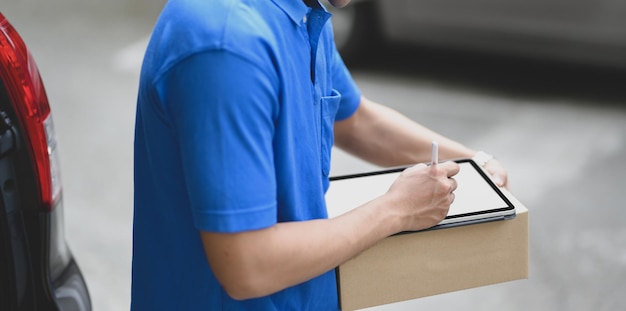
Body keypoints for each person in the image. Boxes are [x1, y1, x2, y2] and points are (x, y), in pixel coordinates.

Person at [131, 0, 509, 310]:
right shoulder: (227, 46)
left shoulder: (305, 10)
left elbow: (357, 120)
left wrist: (473, 161)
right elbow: (247, 266)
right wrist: (397, 210)